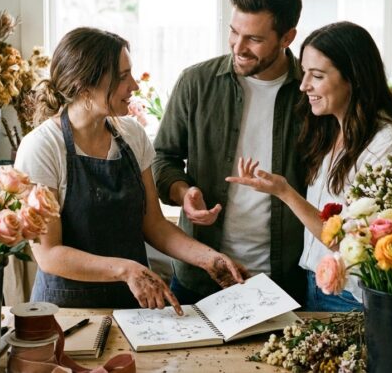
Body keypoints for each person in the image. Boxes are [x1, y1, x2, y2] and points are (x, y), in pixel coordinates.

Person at [15, 27, 246, 311]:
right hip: (67, 313)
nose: (134, 85)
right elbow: (49, 253)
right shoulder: (42, 147)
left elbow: (155, 225)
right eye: (123, 76)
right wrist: (126, 270)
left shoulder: (132, 135)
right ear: (84, 85)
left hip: (131, 307)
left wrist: (209, 259)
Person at [226, 21, 392, 311]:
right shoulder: (329, 131)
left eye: (316, 76)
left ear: (353, 78)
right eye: (304, 74)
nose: (304, 86)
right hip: (314, 284)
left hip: (349, 296)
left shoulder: (388, 143)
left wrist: (285, 192)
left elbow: (359, 242)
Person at [152, 0, 307, 305]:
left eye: (253, 38)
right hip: (200, 277)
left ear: (287, 37)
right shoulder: (196, 83)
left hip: (284, 281)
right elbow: (162, 158)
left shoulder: (311, 94)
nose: (238, 48)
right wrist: (185, 192)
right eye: (234, 32)